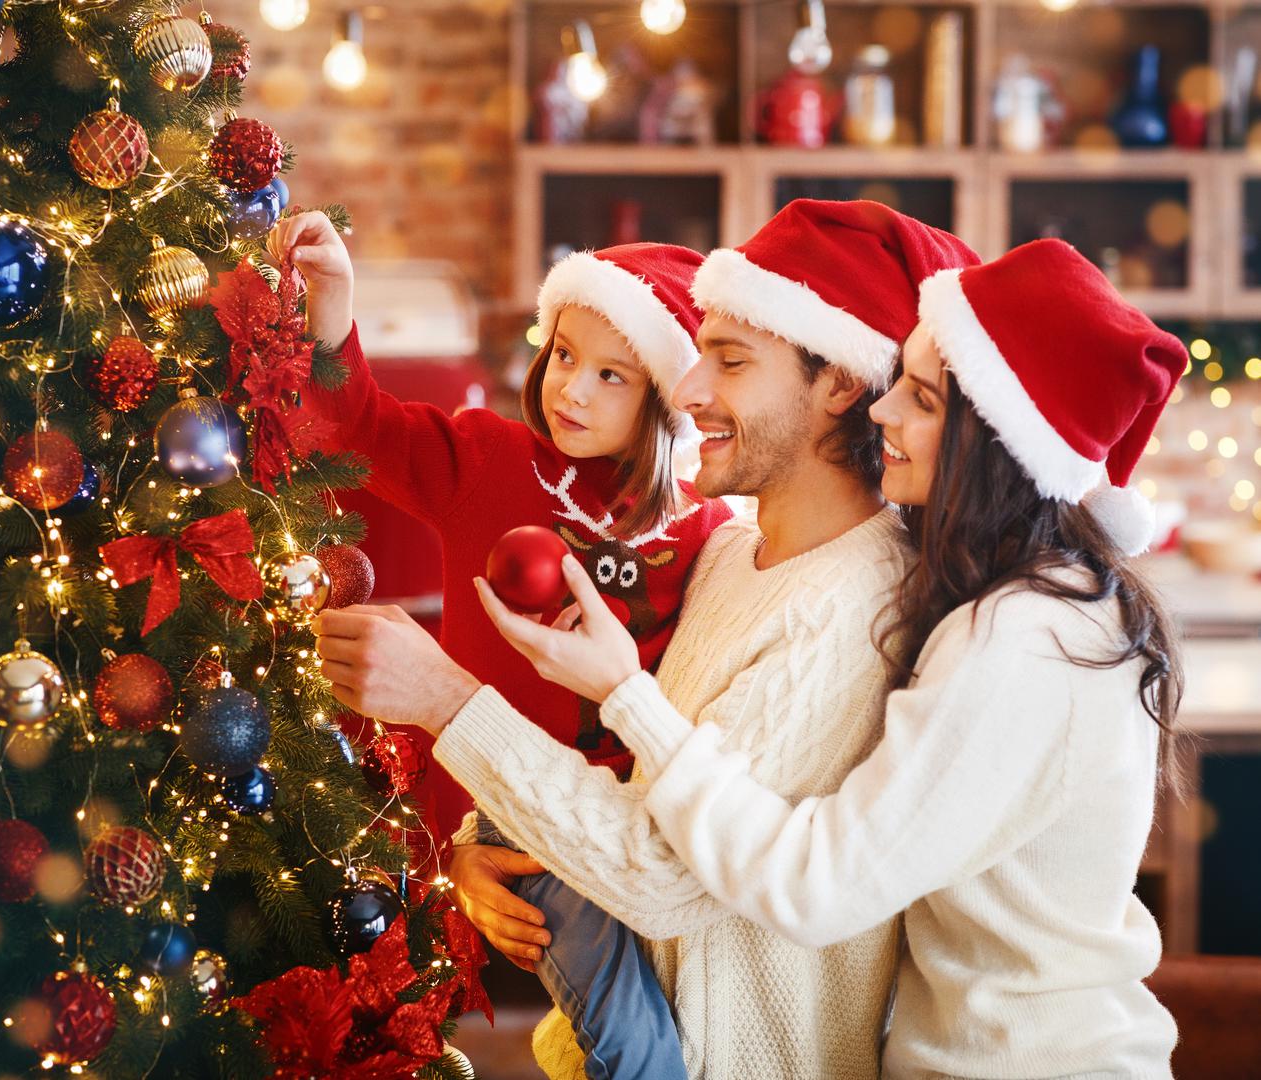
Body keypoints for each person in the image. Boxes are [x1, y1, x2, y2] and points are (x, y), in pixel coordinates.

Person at [477, 238, 1186, 1076]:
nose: (883, 411)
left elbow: (816, 881)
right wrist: (488, 833)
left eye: (920, 398)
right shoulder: (995, 601)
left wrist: (609, 696)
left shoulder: (1022, 637)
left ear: (994, 442)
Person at [312, 200, 980, 1078]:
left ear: (840, 384)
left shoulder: (836, 605)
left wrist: (446, 700)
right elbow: (629, 788)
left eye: (729, 361)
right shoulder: (734, 559)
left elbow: (656, 876)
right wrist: (482, 842)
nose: (690, 387)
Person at [269, 212, 731, 1077]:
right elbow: (357, 425)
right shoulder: (487, 461)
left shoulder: (703, 528)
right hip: (515, 823)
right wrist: (332, 310)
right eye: (563, 356)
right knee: (633, 1045)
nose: (573, 391)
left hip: (637, 834)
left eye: (610, 376)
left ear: (667, 399)